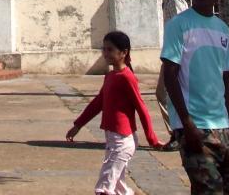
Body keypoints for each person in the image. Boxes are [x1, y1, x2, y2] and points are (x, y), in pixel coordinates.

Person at [161, 0, 229, 195]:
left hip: (221, 124)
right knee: (209, 188)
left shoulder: (223, 30)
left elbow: (225, 81)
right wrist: (186, 124)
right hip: (193, 124)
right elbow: (170, 75)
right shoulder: (179, 25)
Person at [66, 30, 161, 195]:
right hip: (112, 139)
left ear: (123, 53)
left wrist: (152, 138)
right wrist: (78, 125)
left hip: (122, 141)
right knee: (118, 188)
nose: (105, 53)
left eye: (110, 49)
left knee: (104, 187)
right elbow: (98, 103)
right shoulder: (110, 76)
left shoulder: (127, 77)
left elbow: (141, 107)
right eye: (104, 49)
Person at [155, 0, 189, 150]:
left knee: (167, 93)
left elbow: (182, 27)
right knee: (164, 93)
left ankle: (179, 133)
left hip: (175, 56)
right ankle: (177, 132)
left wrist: (177, 58)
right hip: (171, 54)